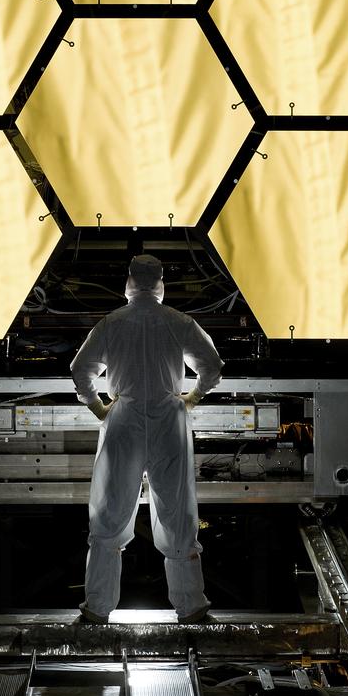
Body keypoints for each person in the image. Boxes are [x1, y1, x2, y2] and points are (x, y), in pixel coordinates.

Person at [71, 254, 224, 624]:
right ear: (159, 283)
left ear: (128, 281)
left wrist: (98, 406)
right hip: (169, 417)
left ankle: (97, 608)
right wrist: (192, 397)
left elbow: (80, 370)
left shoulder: (111, 324)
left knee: (109, 512)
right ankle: (191, 606)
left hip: (123, 418)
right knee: (177, 511)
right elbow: (212, 367)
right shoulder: (179, 322)